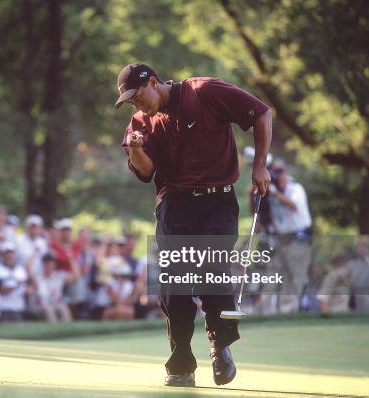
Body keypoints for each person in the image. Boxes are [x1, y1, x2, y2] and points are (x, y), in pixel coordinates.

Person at [115, 63, 271, 387]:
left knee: (209, 271)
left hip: (218, 202)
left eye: (138, 96)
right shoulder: (141, 122)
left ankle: (220, 345)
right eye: (129, 102)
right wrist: (135, 149)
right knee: (175, 287)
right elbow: (145, 172)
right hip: (175, 205)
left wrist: (260, 166)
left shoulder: (205, 91)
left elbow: (261, 113)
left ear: (154, 83)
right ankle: (181, 362)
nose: (136, 105)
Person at [261, 163, 312, 314]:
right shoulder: (270, 192)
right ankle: (265, 312)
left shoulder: (295, 188)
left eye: (279, 175)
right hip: (280, 240)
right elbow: (259, 213)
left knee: (293, 278)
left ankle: (288, 312)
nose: (278, 179)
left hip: (298, 239)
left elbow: (293, 205)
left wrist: (275, 193)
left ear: (285, 175)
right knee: (273, 275)